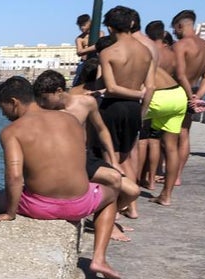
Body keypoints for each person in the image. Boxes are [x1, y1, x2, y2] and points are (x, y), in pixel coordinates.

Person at [0, 76, 122, 279]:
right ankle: (99, 258)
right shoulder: (70, 119)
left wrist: (10, 212)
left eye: (4, 109)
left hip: (39, 206)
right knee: (111, 195)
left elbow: (14, 176)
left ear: (14, 102)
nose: (4, 115)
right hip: (81, 204)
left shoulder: (12, 131)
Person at [32, 70, 139, 236]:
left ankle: (103, 219)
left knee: (133, 191)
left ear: (59, 91)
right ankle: (107, 226)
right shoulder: (44, 112)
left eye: (45, 98)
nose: (42, 103)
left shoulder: (86, 103)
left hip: (85, 158)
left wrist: (113, 160)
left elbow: (102, 130)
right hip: (63, 163)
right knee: (113, 179)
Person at [97, 6, 154, 192]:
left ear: (111, 28)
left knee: (110, 159)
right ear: (131, 24)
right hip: (134, 109)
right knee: (125, 158)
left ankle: (113, 205)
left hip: (112, 107)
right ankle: (130, 203)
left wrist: (138, 94)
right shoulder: (146, 52)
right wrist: (141, 109)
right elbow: (151, 87)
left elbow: (111, 87)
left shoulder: (108, 53)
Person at [140, 20, 189, 205]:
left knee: (139, 141)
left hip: (157, 95)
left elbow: (147, 83)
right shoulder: (174, 53)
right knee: (171, 147)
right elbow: (183, 75)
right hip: (178, 94)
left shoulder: (148, 51)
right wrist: (192, 97)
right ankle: (166, 195)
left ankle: (137, 187)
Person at [170, 9, 205, 192]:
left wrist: (189, 97)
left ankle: (167, 173)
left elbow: (180, 75)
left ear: (180, 26)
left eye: (175, 29)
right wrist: (198, 97)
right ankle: (178, 175)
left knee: (169, 137)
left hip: (177, 93)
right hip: (192, 95)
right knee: (184, 135)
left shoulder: (180, 45)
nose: (174, 32)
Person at [72, 13, 95, 86]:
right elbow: (79, 52)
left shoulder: (100, 33)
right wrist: (95, 47)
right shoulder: (80, 38)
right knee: (77, 82)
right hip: (84, 62)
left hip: (96, 62)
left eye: (84, 25)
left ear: (90, 23)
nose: (82, 28)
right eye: (80, 26)